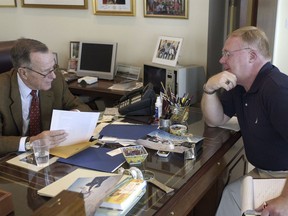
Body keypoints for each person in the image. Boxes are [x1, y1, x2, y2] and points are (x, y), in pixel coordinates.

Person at [201, 26, 288, 216]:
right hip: (263, 173)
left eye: (227, 54)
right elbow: (215, 120)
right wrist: (209, 89)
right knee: (231, 196)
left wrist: (285, 199)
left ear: (251, 56)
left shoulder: (277, 89)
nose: (222, 60)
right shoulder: (240, 86)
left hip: (283, 178)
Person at [0, 38, 92, 155]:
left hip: (48, 155)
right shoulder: (2, 90)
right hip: (10, 158)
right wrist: (31, 142)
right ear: (24, 73)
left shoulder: (56, 80)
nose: (53, 75)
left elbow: (82, 107)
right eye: (46, 71)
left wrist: (73, 115)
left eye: (53, 67)